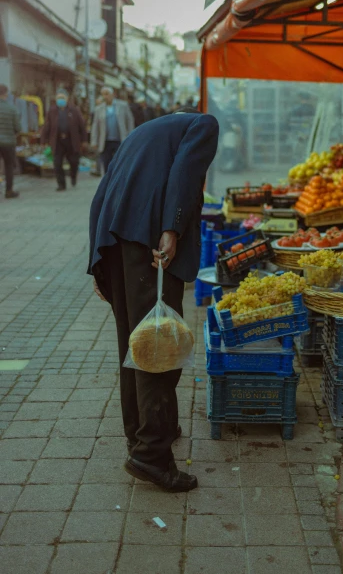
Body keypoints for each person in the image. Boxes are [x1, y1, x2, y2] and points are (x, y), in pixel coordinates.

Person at [88, 108, 219, 492]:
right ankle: (152, 455)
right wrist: (172, 227)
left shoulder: (146, 130)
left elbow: (102, 191)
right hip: (147, 240)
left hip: (114, 238)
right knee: (157, 346)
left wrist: (97, 261)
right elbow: (185, 175)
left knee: (135, 342)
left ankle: (141, 435)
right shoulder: (204, 124)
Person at [40, 88, 88, 192]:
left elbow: (82, 126)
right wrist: (43, 141)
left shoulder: (74, 110)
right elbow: (46, 127)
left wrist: (84, 140)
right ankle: (61, 184)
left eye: (62, 98)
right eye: (58, 98)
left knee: (74, 162)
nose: (60, 100)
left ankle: (73, 176)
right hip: (57, 141)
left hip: (71, 141)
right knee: (57, 163)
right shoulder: (52, 111)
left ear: (67, 99)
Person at [91, 86, 134, 174]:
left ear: (112, 95)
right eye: (103, 94)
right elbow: (95, 126)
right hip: (105, 141)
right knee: (106, 163)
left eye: (107, 94)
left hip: (120, 140)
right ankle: (108, 183)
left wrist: (131, 136)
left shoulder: (123, 105)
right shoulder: (99, 109)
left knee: (121, 162)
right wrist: (94, 141)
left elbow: (130, 121)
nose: (105, 96)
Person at [0, 84, 21, 199]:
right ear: (6, 94)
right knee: (8, 167)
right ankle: (9, 191)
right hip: (8, 143)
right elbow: (18, 128)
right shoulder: (12, 109)